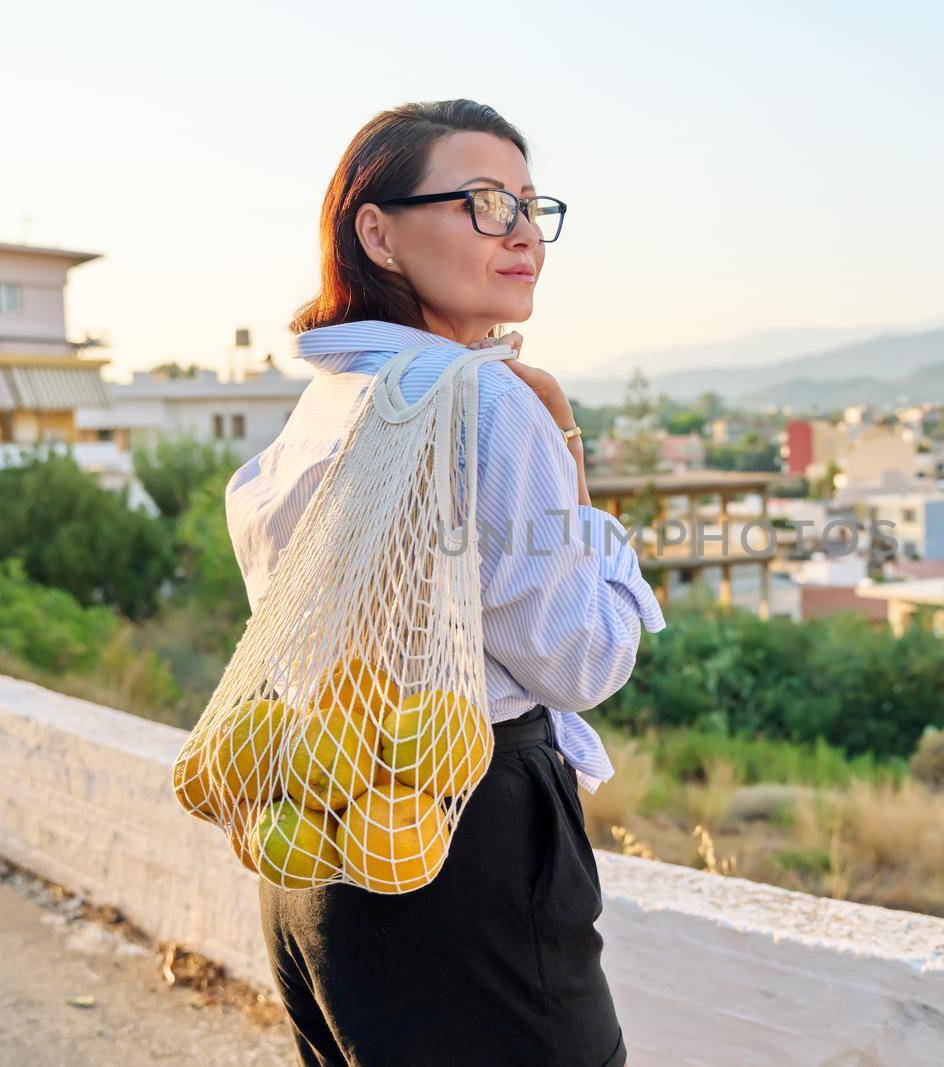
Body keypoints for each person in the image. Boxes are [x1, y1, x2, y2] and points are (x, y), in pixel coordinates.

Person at [223, 100, 664, 1067]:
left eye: (530, 207)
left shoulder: (332, 393)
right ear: (374, 230)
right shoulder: (487, 403)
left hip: (318, 836)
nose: (522, 236)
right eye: (482, 203)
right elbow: (582, 658)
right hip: (461, 835)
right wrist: (593, 516)